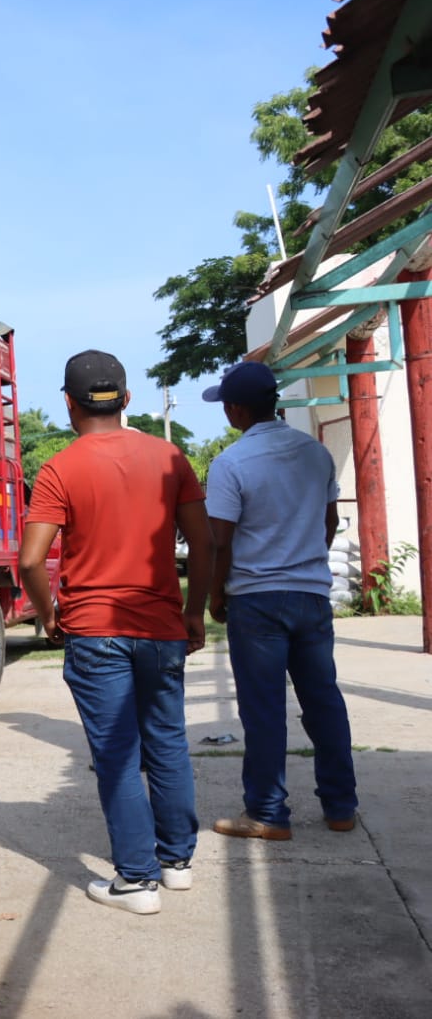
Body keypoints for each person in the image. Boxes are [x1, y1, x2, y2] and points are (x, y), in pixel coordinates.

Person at [17, 350, 210, 915]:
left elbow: (31, 561)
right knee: (168, 741)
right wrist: (194, 610)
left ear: (69, 403)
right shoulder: (170, 457)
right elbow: (204, 544)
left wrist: (49, 614)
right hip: (160, 626)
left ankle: (136, 881)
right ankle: (176, 863)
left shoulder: (59, 469)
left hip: (95, 630)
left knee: (118, 754)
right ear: (127, 399)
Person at [202, 360, 358, 841]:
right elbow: (329, 523)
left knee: (264, 709)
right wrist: (305, 559)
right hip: (311, 596)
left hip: (256, 600)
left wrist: (214, 595)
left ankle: (268, 814)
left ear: (234, 409)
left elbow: (220, 542)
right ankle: (341, 807)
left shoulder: (230, 464)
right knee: (323, 700)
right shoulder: (315, 454)